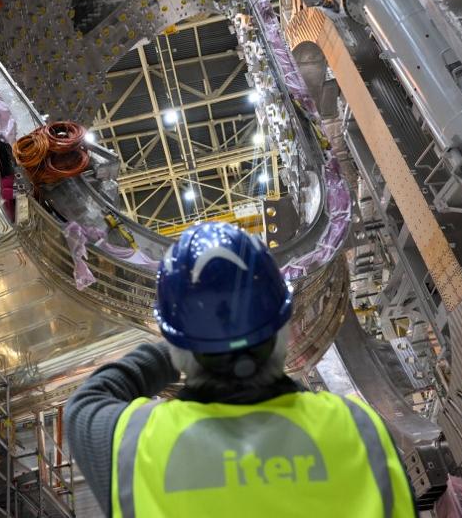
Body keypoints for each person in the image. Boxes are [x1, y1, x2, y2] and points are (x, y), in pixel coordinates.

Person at [65, 222, 415, 517]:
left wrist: (183, 343)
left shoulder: (135, 444)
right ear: (284, 330)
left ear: (178, 347)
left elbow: (87, 401)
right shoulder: (359, 431)